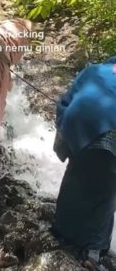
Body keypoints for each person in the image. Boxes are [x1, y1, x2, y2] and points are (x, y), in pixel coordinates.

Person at [53, 56, 116, 270]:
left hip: (78, 129)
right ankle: (93, 252)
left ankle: (60, 233)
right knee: (106, 195)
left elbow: (64, 102)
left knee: (75, 179)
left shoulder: (95, 70)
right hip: (110, 140)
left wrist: (65, 133)